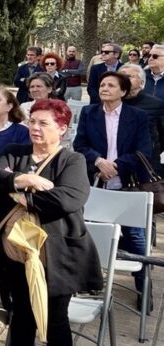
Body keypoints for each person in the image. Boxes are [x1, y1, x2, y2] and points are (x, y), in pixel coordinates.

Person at [0, 99, 102, 344]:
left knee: (54, 318)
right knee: (21, 314)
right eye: (32, 121)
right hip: (15, 252)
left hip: (57, 255)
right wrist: (27, 178)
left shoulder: (72, 160)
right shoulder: (15, 151)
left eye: (43, 123)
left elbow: (68, 198)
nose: (35, 128)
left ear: (62, 128)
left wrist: (18, 193)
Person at [73, 71, 152, 305]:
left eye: (110, 85)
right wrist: (99, 161)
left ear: (123, 92)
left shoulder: (137, 116)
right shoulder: (89, 112)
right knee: (92, 235)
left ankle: (143, 289)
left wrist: (115, 166)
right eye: (102, 84)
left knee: (136, 238)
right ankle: (92, 284)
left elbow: (143, 151)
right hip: (96, 183)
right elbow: (80, 144)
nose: (104, 88)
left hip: (127, 185)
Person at [120, 64, 164, 164]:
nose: (122, 80)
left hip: (146, 163)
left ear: (141, 82)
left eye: (128, 77)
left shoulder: (156, 104)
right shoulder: (110, 103)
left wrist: (150, 149)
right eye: (119, 77)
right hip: (116, 163)